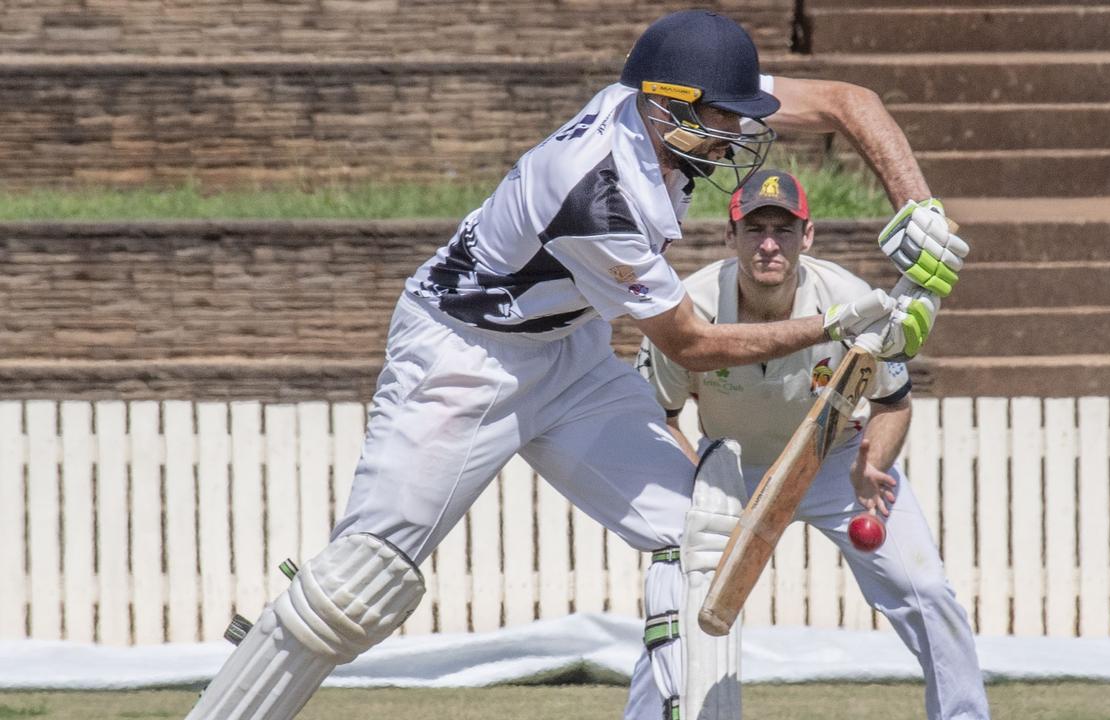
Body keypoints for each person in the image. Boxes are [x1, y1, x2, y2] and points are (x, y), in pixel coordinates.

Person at [185, 10, 967, 720]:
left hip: (571, 353)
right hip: (462, 357)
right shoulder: (598, 196)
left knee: (698, 537)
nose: (739, 132)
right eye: (724, 117)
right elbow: (690, 344)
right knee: (358, 587)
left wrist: (919, 207)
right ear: (668, 104)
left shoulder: (667, 106)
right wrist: (836, 322)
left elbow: (846, 100)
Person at [634, 169, 989, 720]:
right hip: (732, 473)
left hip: (837, 464)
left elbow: (893, 402)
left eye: (783, 229)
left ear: (808, 236)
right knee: (679, 611)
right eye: (755, 230)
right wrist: (698, 484)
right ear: (730, 237)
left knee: (926, 592)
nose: (769, 244)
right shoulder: (693, 311)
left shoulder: (850, 299)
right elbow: (662, 418)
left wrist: (872, 460)